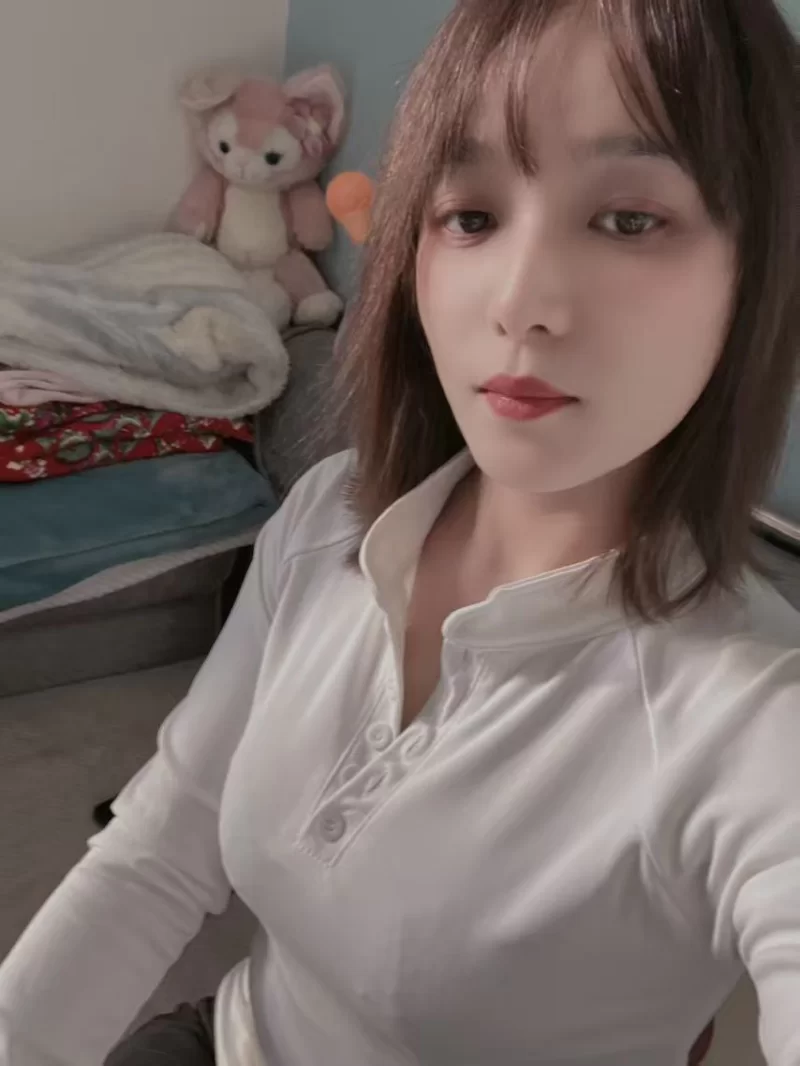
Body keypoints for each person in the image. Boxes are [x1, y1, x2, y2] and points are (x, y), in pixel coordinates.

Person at [1, 0, 798, 1063]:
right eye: (470, 216)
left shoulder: (755, 710)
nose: (519, 301)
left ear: (758, 271)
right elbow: (158, 851)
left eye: (627, 220)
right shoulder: (329, 514)